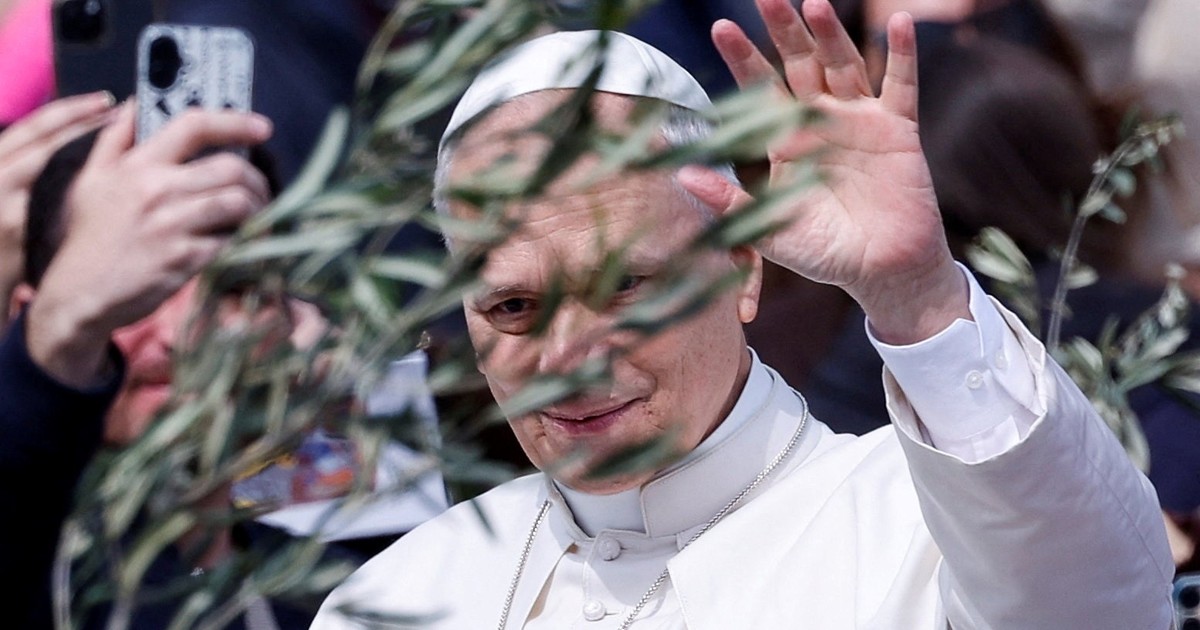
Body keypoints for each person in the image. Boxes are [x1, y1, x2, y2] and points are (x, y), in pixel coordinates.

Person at [311, 0, 1172, 628]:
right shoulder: (395, 598)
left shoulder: (924, 528)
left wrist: (918, 297)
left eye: (623, 285)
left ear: (739, 268)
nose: (567, 355)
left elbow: (1100, 607)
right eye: (512, 305)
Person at [0, 101, 274, 628]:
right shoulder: (45, 584)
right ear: (30, 314)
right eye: (133, 292)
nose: (177, 337)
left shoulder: (366, 581)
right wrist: (58, 336)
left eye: (232, 288)